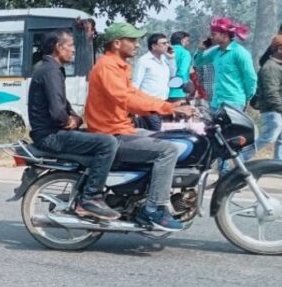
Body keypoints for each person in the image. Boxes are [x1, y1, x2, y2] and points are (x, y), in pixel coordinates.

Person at [84, 23, 195, 231]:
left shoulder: (120, 66)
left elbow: (135, 94)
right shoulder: (107, 66)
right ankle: (154, 209)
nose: (137, 45)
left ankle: (145, 195)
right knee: (168, 150)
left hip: (123, 128)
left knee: (167, 138)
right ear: (117, 43)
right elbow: (126, 100)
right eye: (132, 40)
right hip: (112, 133)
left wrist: (169, 106)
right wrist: (165, 108)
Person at [28, 30, 120, 220]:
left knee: (103, 135)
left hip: (51, 133)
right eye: (70, 46)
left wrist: (76, 118)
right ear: (58, 47)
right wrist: (68, 121)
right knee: (107, 143)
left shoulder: (51, 68)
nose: (74, 50)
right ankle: (90, 198)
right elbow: (57, 111)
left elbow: (63, 103)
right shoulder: (50, 70)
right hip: (50, 136)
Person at [194, 17, 257, 111]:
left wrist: (245, 98)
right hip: (216, 102)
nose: (211, 37)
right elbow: (198, 63)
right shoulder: (215, 52)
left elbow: (250, 78)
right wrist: (200, 50)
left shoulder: (240, 52)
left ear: (224, 35)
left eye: (214, 34)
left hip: (234, 103)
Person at [132, 33, 176, 131]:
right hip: (149, 105)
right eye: (163, 43)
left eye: (167, 43)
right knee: (156, 132)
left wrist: (171, 58)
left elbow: (173, 75)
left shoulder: (165, 60)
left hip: (163, 102)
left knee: (165, 132)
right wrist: (135, 107)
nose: (167, 45)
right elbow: (135, 83)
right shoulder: (144, 61)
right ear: (154, 46)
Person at [254, 35, 282, 160]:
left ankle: (278, 166)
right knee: (268, 137)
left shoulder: (277, 67)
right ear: (279, 49)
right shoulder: (271, 68)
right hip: (273, 110)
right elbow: (272, 94)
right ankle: (240, 159)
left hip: (277, 109)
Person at [169, 31, 192, 102]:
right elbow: (182, 72)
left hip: (163, 92)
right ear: (182, 41)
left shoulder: (165, 51)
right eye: (187, 40)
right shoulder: (185, 53)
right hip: (178, 92)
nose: (188, 43)